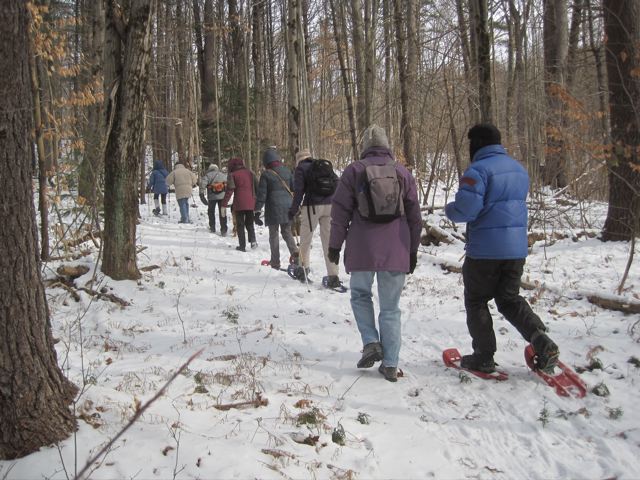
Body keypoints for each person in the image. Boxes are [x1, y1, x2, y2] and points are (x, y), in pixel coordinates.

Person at [445, 123, 559, 374]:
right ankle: (540, 338)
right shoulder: (519, 170)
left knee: (476, 300)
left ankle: (484, 355)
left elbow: (467, 209)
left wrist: (449, 209)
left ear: (476, 144)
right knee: (508, 299)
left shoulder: (477, 171)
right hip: (516, 249)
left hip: (485, 251)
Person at [328, 125, 422, 382]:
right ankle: (390, 364)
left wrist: (334, 246)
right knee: (391, 308)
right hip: (396, 248)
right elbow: (415, 216)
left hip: (362, 248)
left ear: (365, 147)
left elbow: (339, 213)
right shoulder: (402, 172)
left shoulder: (354, 171)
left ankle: (371, 341)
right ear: (387, 146)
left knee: (360, 295)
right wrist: (412, 250)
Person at [288, 149, 341, 287]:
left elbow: (298, 192)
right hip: (330, 205)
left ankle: (302, 270)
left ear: (298, 160)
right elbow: (337, 183)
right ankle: (333, 276)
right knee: (329, 241)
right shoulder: (322, 166)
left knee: (305, 240)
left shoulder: (301, 169)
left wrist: (293, 210)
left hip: (311, 207)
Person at [255, 147, 299, 269]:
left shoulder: (266, 174)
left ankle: (275, 262)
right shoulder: (287, 171)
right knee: (287, 232)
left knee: (273, 235)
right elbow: (294, 188)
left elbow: (262, 195)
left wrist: (257, 211)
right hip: (288, 207)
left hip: (273, 209)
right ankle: (296, 256)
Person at [222, 157, 258, 252]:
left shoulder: (232, 175)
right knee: (250, 223)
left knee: (240, 225)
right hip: (251, 202)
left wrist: (224, 203)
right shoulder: (251, 173)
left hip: (239, 203)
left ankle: (242, 246)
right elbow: (257, 187)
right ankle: (253, 240)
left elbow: (230, 190)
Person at [199, 163, 228, 235]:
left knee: (211, 212)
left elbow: (202, 185)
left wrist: (202, 195)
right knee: (222, 212)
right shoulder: (222, 175)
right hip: (222, 196)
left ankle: (212, 227)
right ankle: (223, 229)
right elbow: (228, 183)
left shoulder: (207, 175)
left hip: (212, 197)